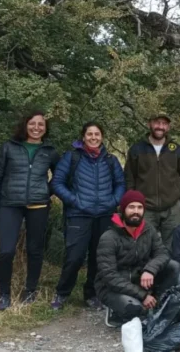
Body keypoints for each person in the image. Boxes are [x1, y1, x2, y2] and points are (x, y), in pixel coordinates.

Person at [0, 111, 60, 311]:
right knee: (6, 251)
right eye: (33, 123)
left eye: (41, 125)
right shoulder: (9, 148)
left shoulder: (50, 151)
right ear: (25, 125)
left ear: (45, 129)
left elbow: (61, 176)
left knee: (35, 250)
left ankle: (30, 291)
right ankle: (4, 295)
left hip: (38, 205)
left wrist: (47, 189)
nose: (37, 128)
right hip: (10, 204)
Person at [50, 122, 126, 310]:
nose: (93, 137)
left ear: (102, 137)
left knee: (98, 258)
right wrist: (75, 201)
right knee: (74, 257)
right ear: (83, 136)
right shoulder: (71, 157)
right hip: (78, 215)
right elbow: (57, 183)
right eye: (89, 134)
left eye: (97, 134)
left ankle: (91, 294)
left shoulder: (110, 160)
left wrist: (113, 201)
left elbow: (121, 184)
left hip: (104, 215)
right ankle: (62, 293)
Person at [95, 190, 180, 327]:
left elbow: (163, 253)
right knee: (135, 309)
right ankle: (130, 309)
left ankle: (157, 302)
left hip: (140, 280)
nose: (136, 211)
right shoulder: (109, 237)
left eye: (139, 207)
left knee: (173, 266)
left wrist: (150, 270)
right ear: (123, 210)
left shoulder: (148, 230)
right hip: (112, 287)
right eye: (131, 207)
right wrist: (143, 295)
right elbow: (109, 276)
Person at [124, 112, 180, 248]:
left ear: (168, 127)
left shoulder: (176, 150)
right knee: (144, 246)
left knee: (172, 247)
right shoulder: (137, 149)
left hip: (172, 208)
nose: (160, 126)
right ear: (149, 124)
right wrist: (133, 202)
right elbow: (129, 177)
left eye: (164, 123)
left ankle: (170, 270)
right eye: (157, 122)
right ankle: (147, 270)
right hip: (145, 208)